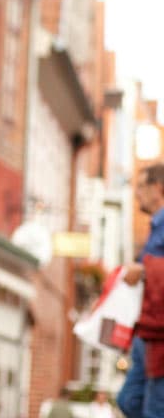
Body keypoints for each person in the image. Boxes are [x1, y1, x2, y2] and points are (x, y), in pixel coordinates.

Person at [118, 163, 164, 418]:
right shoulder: (155, 227)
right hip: (148, 331)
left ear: (157, 188)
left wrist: (144, 271)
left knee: (153, 409)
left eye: (141, 186)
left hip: (159, 335)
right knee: (129, 400)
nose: (137, 193)